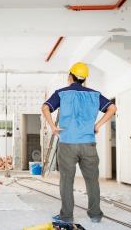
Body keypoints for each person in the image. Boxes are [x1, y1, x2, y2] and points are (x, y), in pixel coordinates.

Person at [41, 62, 117, 224]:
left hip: (67, 143)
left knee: (66, 181)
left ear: (70, 76)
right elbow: (112, 108)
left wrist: (53, 127)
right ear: (84, 79)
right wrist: (97, 125)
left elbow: (45, 107)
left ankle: (67, 217)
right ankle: (95, 215)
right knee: (92, 181)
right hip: (88, 143)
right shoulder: (95, 94)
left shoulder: (61, 93)